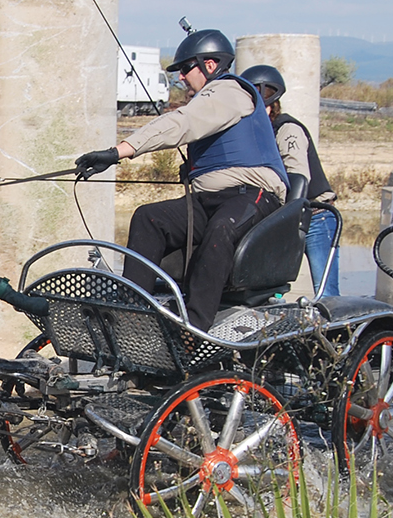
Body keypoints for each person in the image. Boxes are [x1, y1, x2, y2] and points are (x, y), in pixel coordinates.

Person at [76, 29, 288, 330]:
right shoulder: (212, 100)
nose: (182, 78)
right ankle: (132, 314)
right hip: (209, 200)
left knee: (221, 228)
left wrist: (118, 152)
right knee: (150, 218)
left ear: (210, 65)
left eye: (187, 68)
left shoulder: (230, 91)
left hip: (253, 196)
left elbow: (182, 122)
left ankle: (194, 329)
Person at [240, 64, 340, 297]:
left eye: (259, 102)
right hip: (286, 217)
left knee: (326, 292)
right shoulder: (259, 134)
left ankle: (334, 332)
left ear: (272, 102)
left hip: (316, 216)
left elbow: (298, 177)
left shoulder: (287, 130)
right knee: (270, 285)